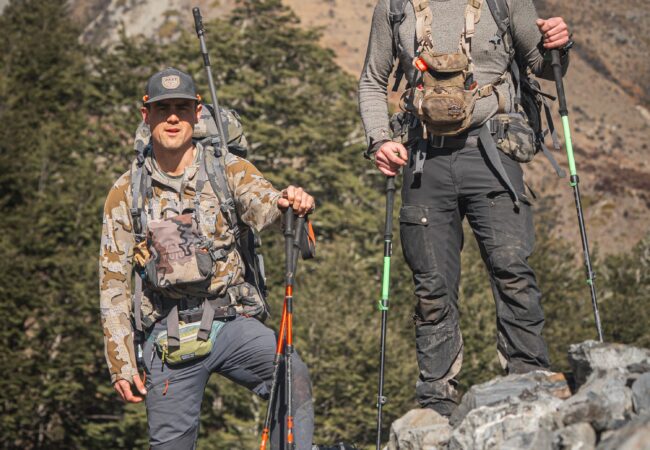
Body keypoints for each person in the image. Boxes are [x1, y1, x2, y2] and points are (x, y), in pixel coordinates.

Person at [358, 0, 572, 416]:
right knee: (431, 286)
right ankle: (437, 403)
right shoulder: (395, 6)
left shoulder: (506, 3)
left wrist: (560, 43)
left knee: (512, 269)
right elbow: (372, 80)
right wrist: (379, 139)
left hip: (492, 153)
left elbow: (546, 66)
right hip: (423, 158)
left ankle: (528, 381)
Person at [99, 67, 315, 449]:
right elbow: (112, 283)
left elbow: (265, 202)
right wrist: (121, 361)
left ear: (197, 113)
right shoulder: (126, 192)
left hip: (230, 320)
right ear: (146, 114)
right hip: (166, 335)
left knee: (290, 373)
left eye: (182, 108)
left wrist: (288, 202)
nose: (172, 117)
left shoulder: (226, 168)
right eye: (163, 108)